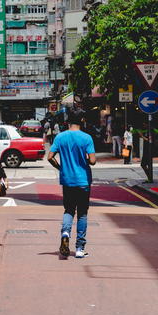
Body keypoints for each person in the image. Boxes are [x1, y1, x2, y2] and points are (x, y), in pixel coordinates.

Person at [47, 109, 96, 258]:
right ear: (82, 121)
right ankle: (80, 249)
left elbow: (50, 157)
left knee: (69, 210)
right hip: (83, 181)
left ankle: (65, 233)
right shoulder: (86, 138)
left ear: (68, 121)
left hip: (67, 181)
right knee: (82, 213)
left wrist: (61, 167)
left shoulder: (60, 137)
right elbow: (93, 161)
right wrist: (85, 159)